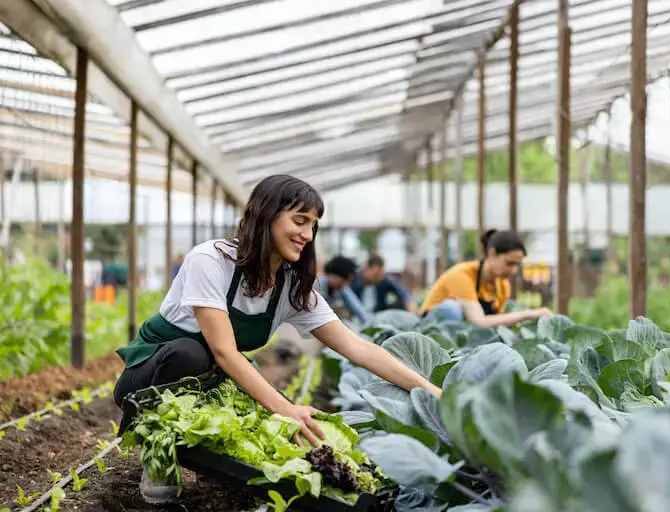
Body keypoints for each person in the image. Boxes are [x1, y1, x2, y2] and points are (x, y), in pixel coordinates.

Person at [112, 175, 442, 505]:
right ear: (266, 215)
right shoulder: (210, 260)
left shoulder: (290, 286)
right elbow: (225, 353)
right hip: (149, 378)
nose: (306, 235)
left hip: (213, 382)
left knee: (271, 424)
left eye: (313, 226)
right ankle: (158, 453)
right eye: (299, 221)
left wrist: (432, 393)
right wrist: (286, 408)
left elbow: (357, 348)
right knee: (191, 354)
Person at [419, 229, 553, 326]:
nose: (513, 270)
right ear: (492, 253)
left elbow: (495, 325)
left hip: (463, 337)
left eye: (517, 265)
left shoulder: (502, 286)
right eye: (509, 263)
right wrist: (526, 314)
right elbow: (478, 322)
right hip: (430, 331)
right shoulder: (461, 274)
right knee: (451, 309)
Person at [348, 254, 418, 314]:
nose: (379, 278)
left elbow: (404, 294)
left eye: (381, 274)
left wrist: (411, 311)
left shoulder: (384, 280)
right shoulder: (352, 279)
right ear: (366, 268)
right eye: (376, 274)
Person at [315, 255, 372, 323]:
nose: (346, 284)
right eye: (346, 281)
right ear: (335, 276)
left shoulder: (341, 288)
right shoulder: (315, 287)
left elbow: (357, 307)